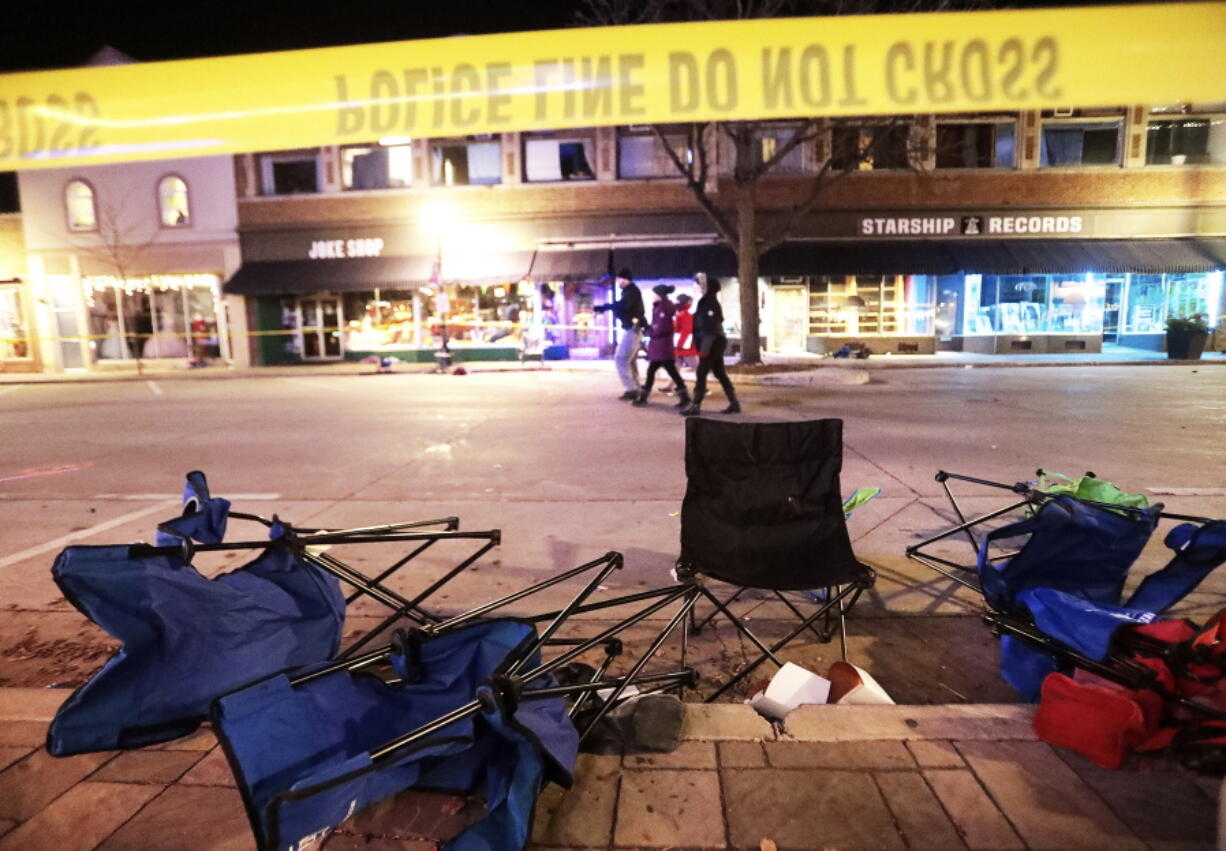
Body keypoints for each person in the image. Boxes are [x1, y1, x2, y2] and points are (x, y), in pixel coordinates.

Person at [681, 274, 740, 416]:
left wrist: (704, 350)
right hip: (711, 341)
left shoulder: (709, 303)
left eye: (697, 285)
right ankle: (734, 403)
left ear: (705, 287)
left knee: (701, 372)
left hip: (713, 342)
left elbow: (710, 328)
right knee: (719, 372)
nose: (694, 287)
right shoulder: (703, 302)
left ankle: (695, 405)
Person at [593, 269, 647, 400]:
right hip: (634, 329)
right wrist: (607, 308)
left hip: (633, 329)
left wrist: (605, 308)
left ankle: (632, 389)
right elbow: (622, 306)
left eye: (618, 279)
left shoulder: (631, 292)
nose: (617, 282)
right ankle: (636, 388)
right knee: (630, 360)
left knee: (621, 358)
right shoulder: (630, 292)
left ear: (624, 279)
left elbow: (623, 307)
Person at [634, 285, 690, 408]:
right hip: (660, 346)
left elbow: (662, 328)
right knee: (661, 371)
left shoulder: (663, 308)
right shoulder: (660, 307)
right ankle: (684, 396)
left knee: (663, 371)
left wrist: (650, 331)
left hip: (662, 347)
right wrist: (649, 329)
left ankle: (644, 397)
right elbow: (658, 326)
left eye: (654, 294)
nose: (652, 296)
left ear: (659, 295)